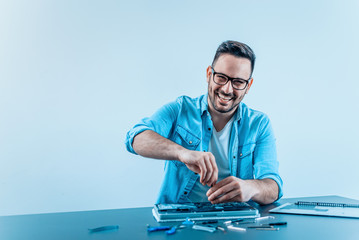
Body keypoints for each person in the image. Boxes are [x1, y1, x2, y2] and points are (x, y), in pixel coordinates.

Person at [125, 40, 283, 205]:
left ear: (248, 86)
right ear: (209, 74)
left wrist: (251, 187)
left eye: (238, 82)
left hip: (237, 222)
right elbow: (135, 138)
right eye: (221, 78)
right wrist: (182, 153)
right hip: (179, 220)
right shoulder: (180, 109)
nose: (227, 89)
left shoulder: (259, 124)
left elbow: (273, 187)